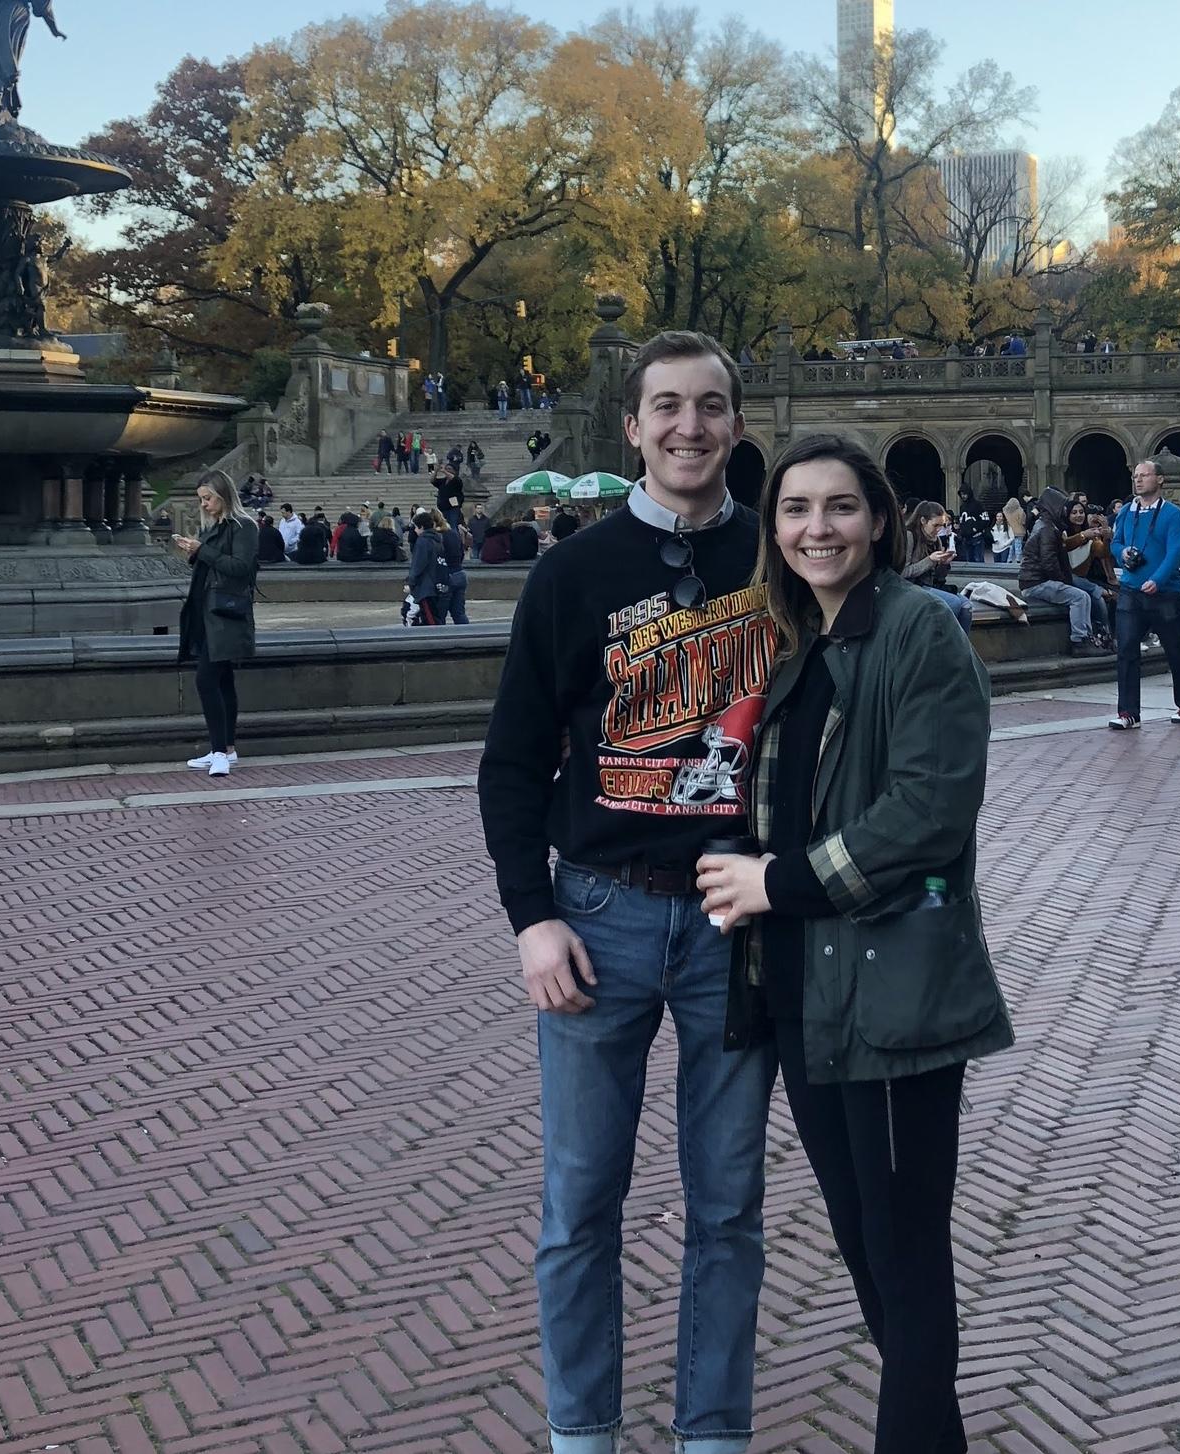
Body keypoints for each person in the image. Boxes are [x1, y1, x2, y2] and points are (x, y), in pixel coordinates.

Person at [478, 329, 776, 1454]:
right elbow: (510, 762)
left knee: (727, 1204)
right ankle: (582, 1432)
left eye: (709, 405)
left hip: (728, 919)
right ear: (632, 426)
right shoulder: (570, 574)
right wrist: (530, 916)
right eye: (666, 406)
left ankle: (710, 1434)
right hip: (594, 911)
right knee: (577, 1204)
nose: (687, 426)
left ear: (735, 424)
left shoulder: (778, 557)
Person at [697, 431, 1013, 1454]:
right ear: (771, 526)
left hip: (891, 988)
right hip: (798, 990)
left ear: (879, 519)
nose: (815, 528)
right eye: (794, 510)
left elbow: (928, 812)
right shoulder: (788, 643)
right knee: (868, 1253)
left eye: (838, 507)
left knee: (904, 1255)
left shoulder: (919, 631)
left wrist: (773, 880)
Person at [174, 470, 258, 778]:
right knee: (221, 680)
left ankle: (220, 751)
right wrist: (195, 550)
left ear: (223, 495)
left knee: (206, 679)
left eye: (208, 498)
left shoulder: (244, 526)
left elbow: (239, 567)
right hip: (208, 614)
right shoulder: (216, 527)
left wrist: (201, 550)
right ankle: (227, 749)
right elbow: (214, 563)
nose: (205, 505)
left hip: (226, 615)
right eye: (201, 500)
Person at [1109, 458, 1180, 729]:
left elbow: (1175, 553)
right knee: (1125, 650)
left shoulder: (1172, 514)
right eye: (1136, 475)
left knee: (1175, 649)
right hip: (1130, 590)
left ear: (1159, 479)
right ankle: (1128, 713)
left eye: (1144, 475)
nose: (1138, 480)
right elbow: (1115, 542)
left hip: (1164, 593)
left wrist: (1157, 580)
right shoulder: (1126, 511)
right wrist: (1121, 553)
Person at [1017, 488, 1110, 657]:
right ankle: (1079, 641)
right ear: (1054, 507)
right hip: (1036, 583)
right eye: (1062, 506)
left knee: (1083, 595)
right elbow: (1048, 562)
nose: (1064, 510)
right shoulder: (1047, 529)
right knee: (1079, 597)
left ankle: (1087, 639)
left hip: (1035, 580)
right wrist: (1062, 581)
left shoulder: (1047, 525)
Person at [903, 502, 973, 635]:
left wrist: (944, 563)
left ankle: (962, 649)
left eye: (941, 525)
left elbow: (939, 578)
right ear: (923, 521)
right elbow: (903, 572)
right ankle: (944, 645)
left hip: (931, 585)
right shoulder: (910, 536)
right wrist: (930, 560)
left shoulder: (936, 540)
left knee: (967, 606)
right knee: (953, 603)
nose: (938, 530)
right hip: (912, 587)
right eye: (935, 525)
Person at [406, 509, 448, 625]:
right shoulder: (438, 540)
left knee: (430, 620)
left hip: (426, 587)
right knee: (435, 618)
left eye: (416, 527)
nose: (414, 530)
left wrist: (411, 582)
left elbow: (418, 565)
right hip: (438, 585)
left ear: (421, 527)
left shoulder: (423, 541)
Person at [430, 506, 469, 623]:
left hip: (447, 576)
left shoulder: (437, 537)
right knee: (459, 613)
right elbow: (461, 552)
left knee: (440, 615)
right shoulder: (453, 533)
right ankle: (467, 637)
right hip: (460, 573)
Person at [436, 466, 465, 530]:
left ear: (454, 471)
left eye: (449, 469)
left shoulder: (457, 480)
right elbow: (432, 480)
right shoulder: (443, 481)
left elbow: (454, 478)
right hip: (443, 507)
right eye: (446, 469)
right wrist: (435, 471)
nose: (447, 470)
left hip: (453, 508)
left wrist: (444, 471)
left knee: (453, 526)